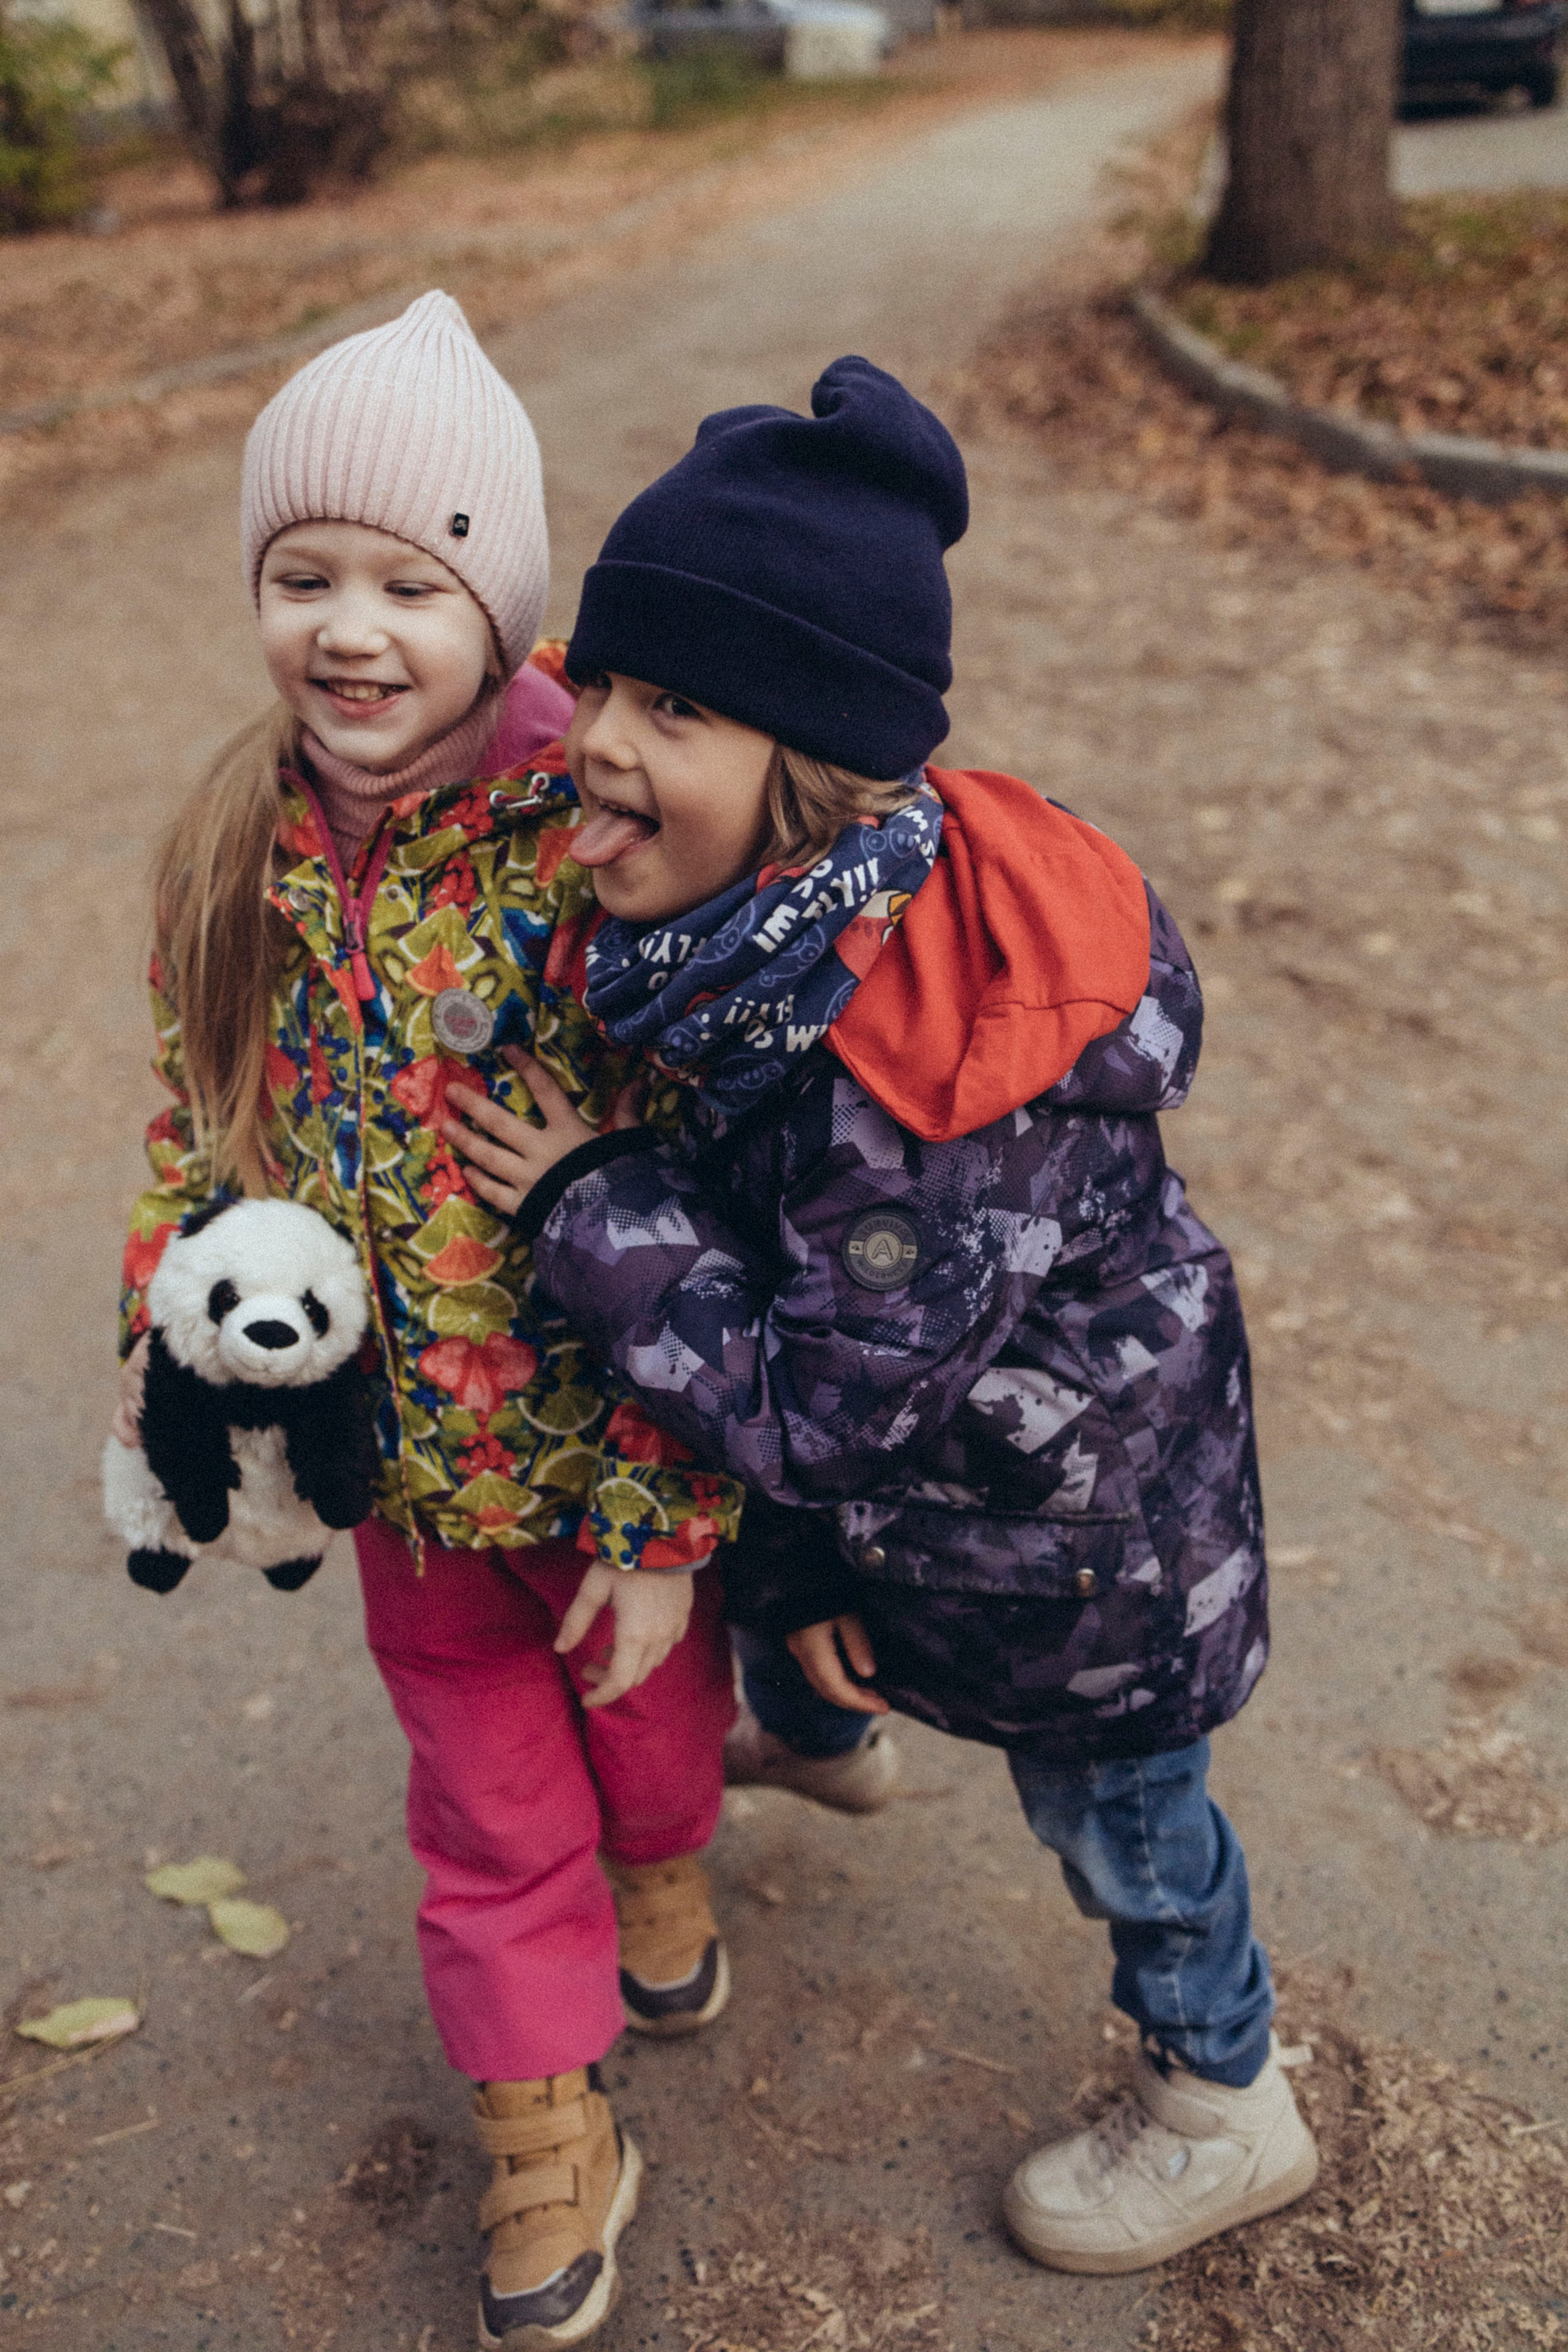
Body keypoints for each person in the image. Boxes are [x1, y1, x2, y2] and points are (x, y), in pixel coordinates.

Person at [441, 355, 1322, 2278]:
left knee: (1126, 1824)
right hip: (953, 1477)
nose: (593, 738)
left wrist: (598, 1204)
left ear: (818, 764)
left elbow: (817, 1410)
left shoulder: (917, 1095)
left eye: (670, 705)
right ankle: (826, 1723)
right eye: (598, 680)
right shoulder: (776, 932)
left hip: (1081, 1553)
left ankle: (1221, 2093)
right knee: (791, 1558)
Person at [113, 291, 745, 2351]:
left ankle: (668, 1857)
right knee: (484, 1802)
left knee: (648, 1736)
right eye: (305, 577)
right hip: (395, 1464)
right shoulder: (243, 849)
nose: (351, 627)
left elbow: (702, 1182)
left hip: (604, 1433)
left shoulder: (597, 838)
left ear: (504, 612)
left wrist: (662, 1521)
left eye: (412, 578)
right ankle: (547, 2116)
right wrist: (169, 1324)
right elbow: (196, 1119)